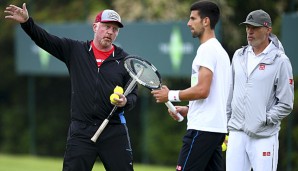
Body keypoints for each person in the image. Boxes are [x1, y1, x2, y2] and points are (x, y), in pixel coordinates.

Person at [5, 3, 138, 171]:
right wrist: (27, 23)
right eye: (106, 27)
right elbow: (45, 39)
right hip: (81, 130)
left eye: (115, 29)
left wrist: (125, 101)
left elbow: (133, 96)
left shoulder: (125, 60)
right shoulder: (76, 50)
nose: (110, 32)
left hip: (113, 130)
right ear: (95, 27)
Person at [151, 1, 230, 170]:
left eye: (193, 18)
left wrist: (170, 95)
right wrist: (189, 109)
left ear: (206, 21)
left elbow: (203, 90)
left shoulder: (207, 50)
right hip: (216, 130)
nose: (188, 23)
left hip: (202, 130)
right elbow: (214, 95)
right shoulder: (220, 51)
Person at [226, 9, 294, 171]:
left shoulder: (280, 61)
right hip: (236, 133)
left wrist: (264, 119)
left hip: (264, 136)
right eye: (248, 27)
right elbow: (230, 93)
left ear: (268, 30)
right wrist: (227, 123)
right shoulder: (238, 55)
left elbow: (286, 103)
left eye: (255, 27)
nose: (250, 31)